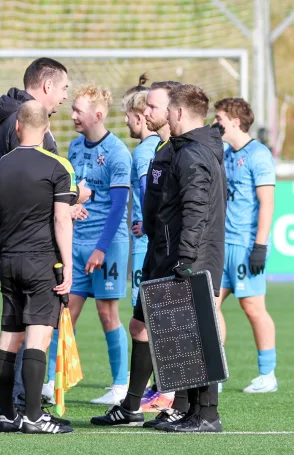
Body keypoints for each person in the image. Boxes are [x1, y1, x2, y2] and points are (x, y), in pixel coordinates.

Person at [91, 83, 227, 433]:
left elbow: (196, 210)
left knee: (195, 332)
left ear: (177, 112)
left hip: (187, 255)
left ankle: (204, 414)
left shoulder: (192, 153)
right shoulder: (178, 149)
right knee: (180, 331)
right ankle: (187, 411)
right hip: (167, 252)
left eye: (160, 107)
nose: (156, 113)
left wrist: (184, 256)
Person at [0, 58, 85, 428]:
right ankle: (23, 411)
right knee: (33, 334)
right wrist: (67, 204)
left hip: (11, 249)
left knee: (12, 332)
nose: (64, 98)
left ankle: (11, 411)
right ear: (46, 87)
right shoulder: (27, 125)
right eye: (63, 90)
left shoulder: (8, 121)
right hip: (36, 250)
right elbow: (34, 189)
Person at [42, 84, 132, 406]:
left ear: (97, 114)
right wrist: (71, 206)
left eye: (78, 110)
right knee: (65, 312)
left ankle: (121, 385)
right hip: (76, 243)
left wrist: (100, 248)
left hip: (107, 245)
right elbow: (70, 191)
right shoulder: (76, 147)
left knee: (108, 314)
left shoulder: (119, 153)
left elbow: (119, 206)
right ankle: (55, 381)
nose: (73, 114)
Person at [213, 98, 277, 393]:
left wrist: (260, 246)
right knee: (210, 306)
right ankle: (216, 371)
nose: (216, 124)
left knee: (252, 307)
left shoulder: (259, 155)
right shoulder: (225, 153)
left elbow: (267, 203)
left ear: (235, 121)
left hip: (245, 243)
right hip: (220, 244)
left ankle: (267, 374)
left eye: (220, 118)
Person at [122, 77, 175, 412]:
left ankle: (163, 391)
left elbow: (147, 194)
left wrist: (148, 224)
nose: (126, 121)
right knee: (147, 321)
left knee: (151, 321)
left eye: (129, 115)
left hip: (149, 245)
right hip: (150, 240)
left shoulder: (146, 152)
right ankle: (159, 390)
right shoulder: (153, 148)